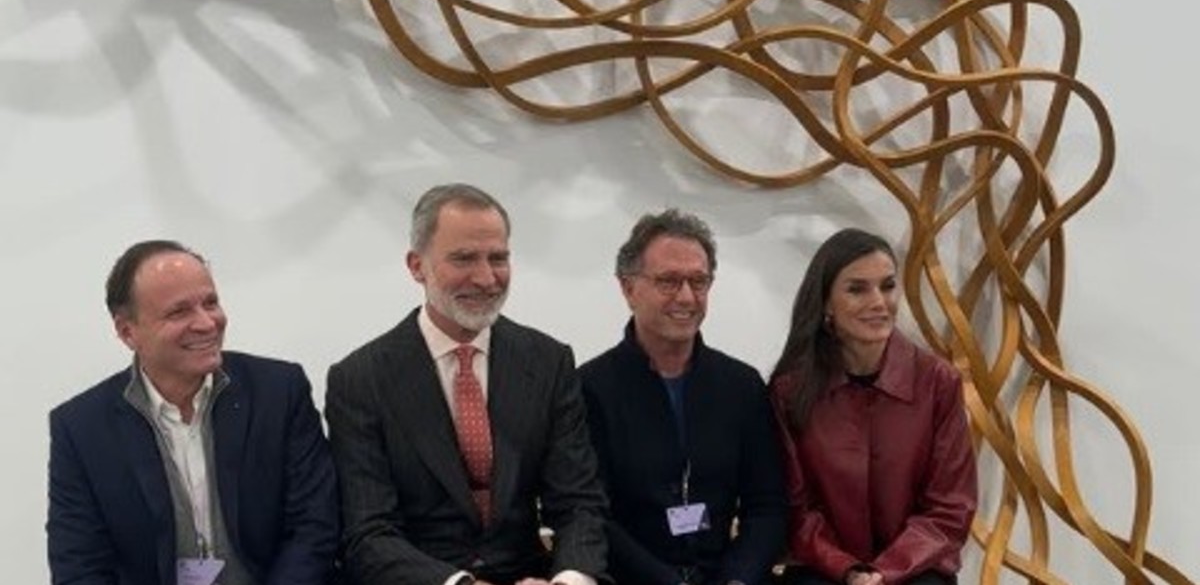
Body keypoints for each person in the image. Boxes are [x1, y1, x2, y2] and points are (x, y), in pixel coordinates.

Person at [325, 183, 607, 585]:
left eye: (498, 258)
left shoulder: (548, 362)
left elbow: (578, 503)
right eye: (464, 258)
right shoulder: (360, 380)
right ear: (416, 266)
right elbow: (368, 533)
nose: (486, 278)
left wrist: (569, 580)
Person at [47, 240, 340, 585]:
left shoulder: (278, 391)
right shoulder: (81, 428)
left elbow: (314, 527)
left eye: (210, 303)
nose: (206, 323)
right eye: (179, 312)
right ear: (127, 332)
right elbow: (79, 565)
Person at [579, 209, 785, 585]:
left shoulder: (742, 386)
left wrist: (738, 579)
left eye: (698, 281)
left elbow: (767, 507)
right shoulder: (588, 388)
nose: (687, 297)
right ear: (628, 288)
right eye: (669, 281)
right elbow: (592, 515)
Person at [767, 228, 977, 585]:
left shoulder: (938, 382)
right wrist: (848, 570)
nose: (879, 302)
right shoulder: (790, 390)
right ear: (826, 304)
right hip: (822, 567)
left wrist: (884, 572)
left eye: (887, 286)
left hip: (915, 567)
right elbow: (795, 509)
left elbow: (949, 507)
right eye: (857, 289)